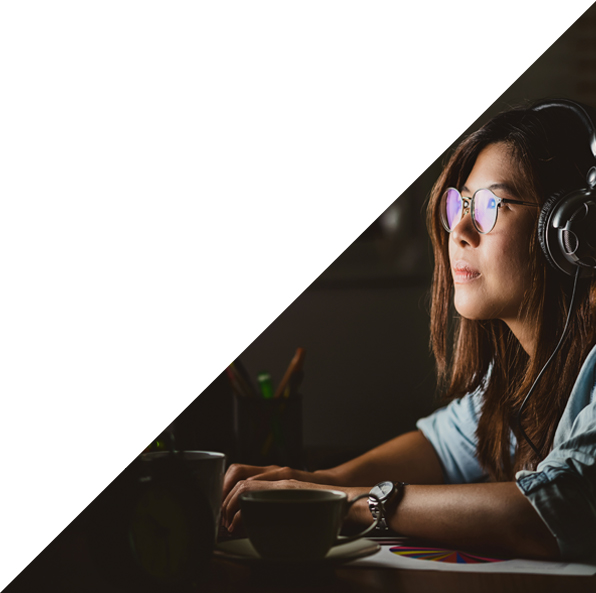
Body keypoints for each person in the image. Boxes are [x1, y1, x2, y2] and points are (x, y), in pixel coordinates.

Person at [221, 99, 596, 562]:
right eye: (459, 204)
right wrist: (322, 482)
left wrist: (353, 504)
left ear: (572, 230)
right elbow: (440, 446)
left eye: (488, 206)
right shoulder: (519, 372)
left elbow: (545, 515)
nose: (458, 229)